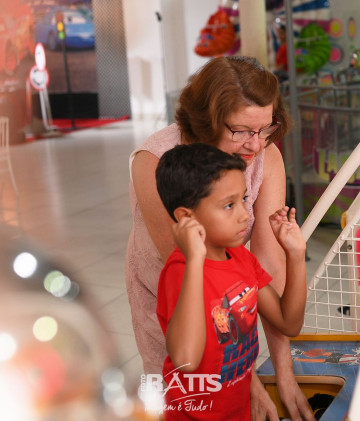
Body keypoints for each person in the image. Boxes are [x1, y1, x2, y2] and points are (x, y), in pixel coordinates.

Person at [125, 56, 316, 420]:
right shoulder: (157, 162)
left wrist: (284, 373)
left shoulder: (263, 155)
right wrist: (246, 380)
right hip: (176, 292)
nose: (255, 146)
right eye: (241, 131)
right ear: (208, 121)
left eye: (265, 128)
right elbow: (190, 280)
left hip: (229, 303)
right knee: (185, 394)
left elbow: (270, 264)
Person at [155, 143, 307, 420]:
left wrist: (295, 255)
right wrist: (195, 260)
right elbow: (186, 360)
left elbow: (289, 323)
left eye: (244, 199)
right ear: (187, 217)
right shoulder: (181, 271)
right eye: (228, 205)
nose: (245, 215)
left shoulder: (240, 257)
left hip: (239, 409)